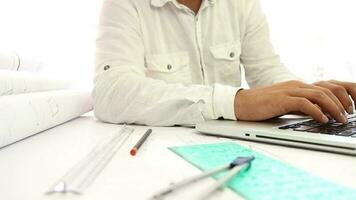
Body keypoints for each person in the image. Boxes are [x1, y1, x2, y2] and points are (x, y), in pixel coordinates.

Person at [93, 0, 356, 126]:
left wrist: (304, 95)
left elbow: (266, 70)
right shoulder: (125, 4)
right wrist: (236, 102)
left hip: (234, 151)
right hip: (157, 159)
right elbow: (110, 93)